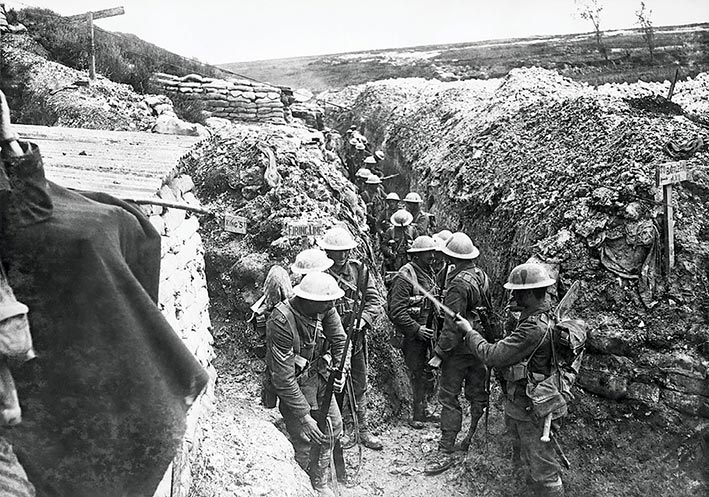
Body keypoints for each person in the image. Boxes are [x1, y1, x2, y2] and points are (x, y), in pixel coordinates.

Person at [457, 263, 565, 497]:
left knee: (543, 468)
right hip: (525, 403)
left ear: (528, 293)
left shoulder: (532, 329)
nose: (513, 296)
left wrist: (469, 332)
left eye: (517, 291)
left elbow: (492, 355)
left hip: (531, 408)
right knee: (527, 460)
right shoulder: (543, 317)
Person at [265, 272, 347, 497]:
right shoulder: (281, 320)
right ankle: (301, 486)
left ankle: (320, 481)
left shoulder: (324, 308)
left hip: (320, 377)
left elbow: (340, 340)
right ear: (310, 300)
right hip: (296, 385)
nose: (332, 305)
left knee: (334, 426)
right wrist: (304, 416)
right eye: (327, 302)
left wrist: (341, 369)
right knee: (304, 439)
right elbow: (283, 379)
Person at [426, 232, 490, 473]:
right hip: (479, 344)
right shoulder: (482, 276)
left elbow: (452, 324)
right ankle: (473, 440)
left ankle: (446, 448)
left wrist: (440, 353)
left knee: (449, 397)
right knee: (477, 394)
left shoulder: (457, 284)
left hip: (459, 349)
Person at [318, 227, 384, 450]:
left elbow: (375, 302)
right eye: (337, 251)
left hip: (355, 337)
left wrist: (362, 320)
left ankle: (362, 430)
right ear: (326, 251)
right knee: (334, 382)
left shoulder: (359, 271)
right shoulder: (320, 273)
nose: (342, 255)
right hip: (329, 340)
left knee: (359, 382)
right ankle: (341, 430)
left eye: (346, 251)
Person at [387, 236, 440, 429]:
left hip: (426, 332)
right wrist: (416, 329)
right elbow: (397, 310)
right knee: (414, 372)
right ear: (417, 256)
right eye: (428, 253)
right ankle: (414, 414)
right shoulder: (405, 276)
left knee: (424, 372)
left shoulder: (427, 271)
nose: (432, 256)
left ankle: (423, 409)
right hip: (411, 336)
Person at [381, 209, 418, 276]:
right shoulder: (390, 231)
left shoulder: (412, 230)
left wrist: (411, 247)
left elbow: (418, 244)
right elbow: (384, 245)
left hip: (409, 259)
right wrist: (389, 252)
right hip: (395, 260)